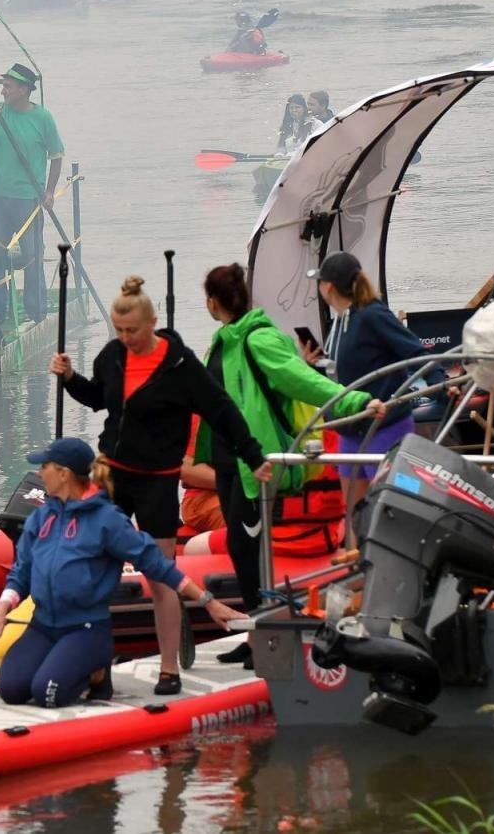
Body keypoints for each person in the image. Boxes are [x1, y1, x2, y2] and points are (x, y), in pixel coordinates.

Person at [51, 277, 273, 695]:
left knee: (159, 574)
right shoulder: (112, 355)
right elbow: (98, 399)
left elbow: (222, 410)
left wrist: (253, 454)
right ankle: (97, 669)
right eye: (119, 330)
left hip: (157, 481)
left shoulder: (180, 365)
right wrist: (70, 377)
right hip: (112, 474)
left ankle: (168, 669)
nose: (125, 338)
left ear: (152, 323)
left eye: (132, 330)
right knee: (94, 570)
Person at [196, 263, 381, 659]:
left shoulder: (258, 338)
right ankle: (257, 635)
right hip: (227, 462)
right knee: (241, 548)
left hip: (253, 462)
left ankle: (264, 638)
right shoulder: (223, 340)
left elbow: (303, 380)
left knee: (247, 549)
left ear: (212, 302)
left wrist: (356, 401)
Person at [0, 437, 241, 709]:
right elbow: (21, 573)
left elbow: (159, 565)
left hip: (85, 627)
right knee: (11, 690)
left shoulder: (107, 520)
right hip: (43, 625)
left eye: (44, 466)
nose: (39, 472)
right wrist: (0, 613)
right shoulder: (40, 518)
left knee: (47, 693)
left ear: (63, 474)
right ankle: (64, 663)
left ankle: (98, 671)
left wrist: (208, 602)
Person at [301, 252, 441, 547]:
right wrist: (314, 365)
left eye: (319, 282)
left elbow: (414, 350)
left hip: (384, 427)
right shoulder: (340, 321)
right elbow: (341, 373)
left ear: (328, 287)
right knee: (353, 511)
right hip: (350, 429)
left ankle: (398, 559)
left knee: (390, 510)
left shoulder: (372, 314)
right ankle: (357, 565)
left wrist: (440, 381)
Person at [0, 63, 63, 325]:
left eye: (8, 87)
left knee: (32, 255)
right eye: (3, 86)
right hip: (0, 198)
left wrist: (49, 192)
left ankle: (36, 311)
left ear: (24, 90)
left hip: (28, 199)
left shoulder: (43, 118)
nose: (3, 91)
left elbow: (56, 156)